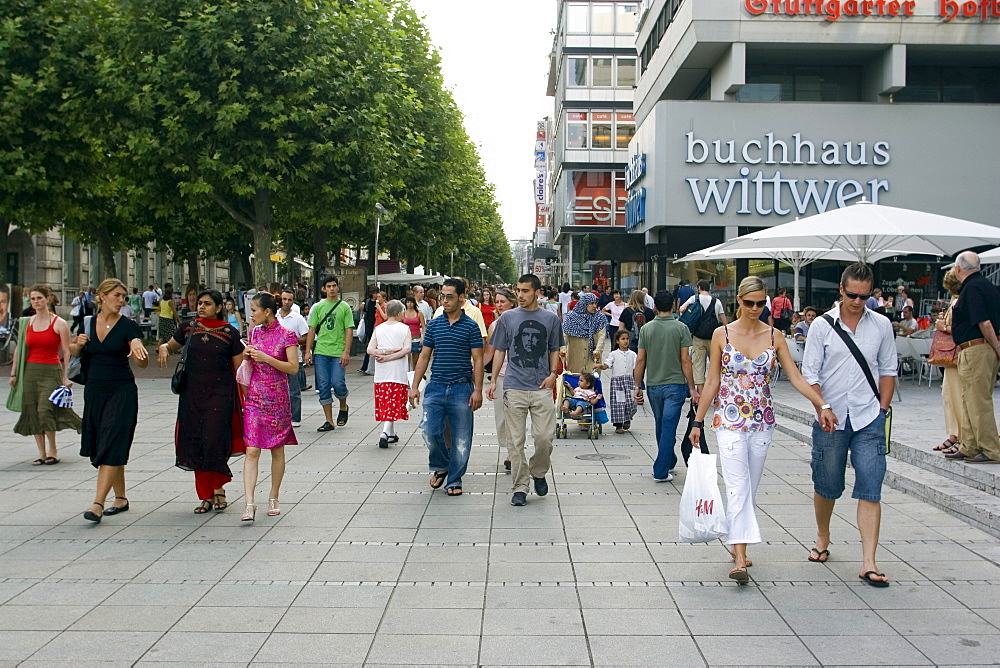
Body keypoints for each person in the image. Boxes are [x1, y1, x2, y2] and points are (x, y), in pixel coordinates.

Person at [690, 276, 837, 584]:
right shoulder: (721, 334)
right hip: (728, 421)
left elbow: (796, 379)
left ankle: (735, 540)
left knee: (750, 487)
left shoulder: (774, 336)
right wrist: (698, 421)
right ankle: (741, 559)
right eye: (749, 303)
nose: (755, 309)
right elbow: (713, 381)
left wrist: (821, 405)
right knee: (738, 485)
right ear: (738, 301)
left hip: (762, 422)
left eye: (760, 303)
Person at [801, 262, 896, 587]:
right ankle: (823, 536)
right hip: (832, 416)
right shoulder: (822, 326)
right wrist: (822, 406)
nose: (858, 301)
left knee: (871, 486)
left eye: (865, 296)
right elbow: (810, 375)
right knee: (827, 484)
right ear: (841, 290)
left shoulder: (881, 325)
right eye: (853, 295)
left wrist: (882, 409)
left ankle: (869, 561)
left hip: (869, 417)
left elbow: (888, 370)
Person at [157, 290, 245, 513]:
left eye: (207, 303)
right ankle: (205, 495)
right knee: (196, 440)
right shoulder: (189, 328)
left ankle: (218, 489)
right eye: (200, 303)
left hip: (220, 395)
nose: (201, 306)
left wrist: (248, 397)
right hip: (192, 395)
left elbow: (240, 369)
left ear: (218, 307)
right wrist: (163, 349)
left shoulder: (229, 333)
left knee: (214, 439)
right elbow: (171, 346)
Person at [70, 279, 149, 523]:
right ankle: (121, 497)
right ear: (102, 296)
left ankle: (97, 504)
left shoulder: (129, 327)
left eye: (124, 296)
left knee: (112, 439)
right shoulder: (87, 322)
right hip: (94, 390)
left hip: (121, 390)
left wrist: (138, 347)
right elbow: (73, 353)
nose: (121, 300)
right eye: (117, 295)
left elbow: (143, 364)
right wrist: (77, 344)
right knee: (105, 442)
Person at [487, 274, 562, 507]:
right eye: (518, 290)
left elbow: (554, 348)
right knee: (515, 441)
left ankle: (538, 471)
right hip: (514, 386)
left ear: (537, 292)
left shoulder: (550, 319)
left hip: (541, 387)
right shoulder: (507, 318)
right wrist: (492, 381)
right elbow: (499, 350)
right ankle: (520, 486)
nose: (520, 295)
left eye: (525, 291)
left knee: (544, 438)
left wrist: (552, 374)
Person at [409, 277, 485, 497]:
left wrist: (477, 390)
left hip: (461, 388)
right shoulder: (434, 324)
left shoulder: (471, 326)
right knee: (430, 431)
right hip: (436, 386)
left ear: (461, 299)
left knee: (461, 438)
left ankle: (454, 479)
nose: (444, 300)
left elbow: (478, 360)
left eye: (449, 296)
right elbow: (424, 356)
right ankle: (441, 465)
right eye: (442, 296)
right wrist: (415, 385)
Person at [241, 292, 299, 521]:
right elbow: (249, 363)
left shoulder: (287, 335)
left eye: (254, 310)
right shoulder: (254, 332)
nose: (251, 314)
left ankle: (274, 495)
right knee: (252, 449)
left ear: (267, 311)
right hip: (255, 396)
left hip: (278, 398)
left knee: (277, 448)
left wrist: (267, 358)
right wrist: (247, 355)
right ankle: (249, 502)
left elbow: (293, 367)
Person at [10, 285, 81, 465]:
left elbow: (66, 351)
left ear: (47, 299)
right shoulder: (27, 322)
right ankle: (41, 453)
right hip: (30, 371)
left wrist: (66, 377)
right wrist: (13, 374)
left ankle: (53, 449)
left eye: (39, 298)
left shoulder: (59, 323)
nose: (36, 302)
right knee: (33, 412)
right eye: (33, 299)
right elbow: (19, 348)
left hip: (51, 370)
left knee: (45, 409)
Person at [634, 291, 697, 482]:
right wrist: (692, 388)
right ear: (673, 306)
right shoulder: (681, 328)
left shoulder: (646, 329)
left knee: (661, 424)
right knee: (668, 425)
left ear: (654, 307)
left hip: (654, 385)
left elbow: (640, 359)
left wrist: (637, 385)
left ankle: (668, 459)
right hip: (675, 385)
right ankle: (661, 470)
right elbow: (685, 360)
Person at [945, 251, 1000, 465]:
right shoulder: (986, 286)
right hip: (976, 348)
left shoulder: (972, 288)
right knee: (969, 398)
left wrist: (996, 347)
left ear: (958, 269)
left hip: (978, 348)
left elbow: (984, 322)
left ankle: (990, 448)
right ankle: (969, 444)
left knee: (978, 401)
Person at [305, 276, 354, 432]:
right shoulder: (318, 307)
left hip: (338, 351)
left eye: (334, 286)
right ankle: (329, 420)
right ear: (324, 289)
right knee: (324, 385)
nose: (332, 289)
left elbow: (349, 330)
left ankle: (343, 406)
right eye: (329, 286)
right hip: (321, 351)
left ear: (338, 287)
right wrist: (308, 351)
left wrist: (346, 351)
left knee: (338, 383)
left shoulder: (345, 307)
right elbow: (311, 330)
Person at [368, 300, 411, 448]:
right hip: (398, 371)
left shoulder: (379, 329)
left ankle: (391, 433)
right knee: (393, 402)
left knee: (386, 402)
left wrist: (383, 353)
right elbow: (407, 349)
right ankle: (385, 432)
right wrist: (391, 355)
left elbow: (370, 349)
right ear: (399, 313)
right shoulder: (405, 329)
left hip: (381, 372)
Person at [484, 287, 516, 473]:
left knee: (515, 415)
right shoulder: (495, 325)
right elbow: (490, 352)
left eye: (503, 301)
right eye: (497, 301)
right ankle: (510, 448)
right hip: (502, 375)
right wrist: (476, 370)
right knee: (502, 417)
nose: (499, 305)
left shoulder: (522, 321)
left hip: (519, 377)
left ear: (511, 302)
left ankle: (513, 453)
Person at [679, 280, 728, 393]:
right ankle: (716, 394)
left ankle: (701, 393)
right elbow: (725, 322)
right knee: (716, 366)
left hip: (698, 337)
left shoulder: (694, 299)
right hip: (714, 338)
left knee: (698, 365)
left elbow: (681, 309)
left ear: (698, 288)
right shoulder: (717, 301)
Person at [937, 270, 964, 456]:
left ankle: (961, 435)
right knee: (949, 395)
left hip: (956, 355)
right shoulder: (956, 301)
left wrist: (943, 327)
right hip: (952, 358)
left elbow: (959, 329)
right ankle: (955, 433)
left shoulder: (959, 302)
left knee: (956, 397)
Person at [277, 289, 309, 427]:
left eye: (289, 300)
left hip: (294, 358)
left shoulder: (298, 318)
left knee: (294, 390)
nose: (286, 302)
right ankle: (279, 416)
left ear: (293, 301)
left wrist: (293, 340)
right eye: (284, 299)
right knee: (277, 389)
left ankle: (295, 417)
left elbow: (306, 337)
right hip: (276, 359)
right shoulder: (274, 316)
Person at [596, 330, 637, 433]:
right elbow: (607, 365)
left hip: (629, 380)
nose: (625, 341)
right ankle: (618, 425)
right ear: (617, 341)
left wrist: (637, 383)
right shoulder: (613, 354)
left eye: (627, 339)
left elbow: (636, 368)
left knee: (630, 402)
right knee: (619, 402)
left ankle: (627, 419)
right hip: (617, 381)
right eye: (623, 339)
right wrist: (601, 366)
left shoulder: (632, 354)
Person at [562, 292, 608, 374]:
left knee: (593, 382)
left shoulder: (599, 318)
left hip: (592, 358)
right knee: (574, 383)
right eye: (591, 303)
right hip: (575, 357)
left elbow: (602, 336)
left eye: (595, 303)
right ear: (584, 304)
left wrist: (598, 350)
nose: (594, 306)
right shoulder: (571, 317)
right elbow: (565, 335)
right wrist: (563, 349)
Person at [358, 288, 379, 375]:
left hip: (376, 326)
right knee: (369, 347)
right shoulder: (368, 302)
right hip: (369, 327)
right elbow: (365, 312)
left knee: (372, 347)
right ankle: (365, 367)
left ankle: (366, 367)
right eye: (374, 293)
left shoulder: (378, 303)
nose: (375, 295)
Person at [402, 296, 426, 370]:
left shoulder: (419, 314)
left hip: (417, 338)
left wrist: (423, 337)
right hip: (406, 339)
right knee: (407, 360)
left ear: (414, 303)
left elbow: (423, 326)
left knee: (416, 360)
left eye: (411, 302)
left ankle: (415, 375)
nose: (409, 304)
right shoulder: (403, 314)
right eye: (408, 302)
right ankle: (408, 375)